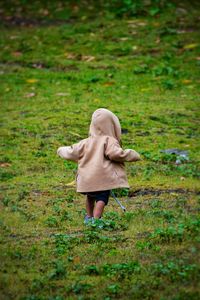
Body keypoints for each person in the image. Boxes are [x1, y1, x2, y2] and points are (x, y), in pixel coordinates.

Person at [57, 108, 140, 224]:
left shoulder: (85, 142)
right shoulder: (109, 140)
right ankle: (96, 220)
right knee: (101, 199)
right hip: (102, 179)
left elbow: (72, 151)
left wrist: (61, 150)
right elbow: (115, 154)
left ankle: (89, 217)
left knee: (90, 197)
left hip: (87, 178)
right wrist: (131, 154)